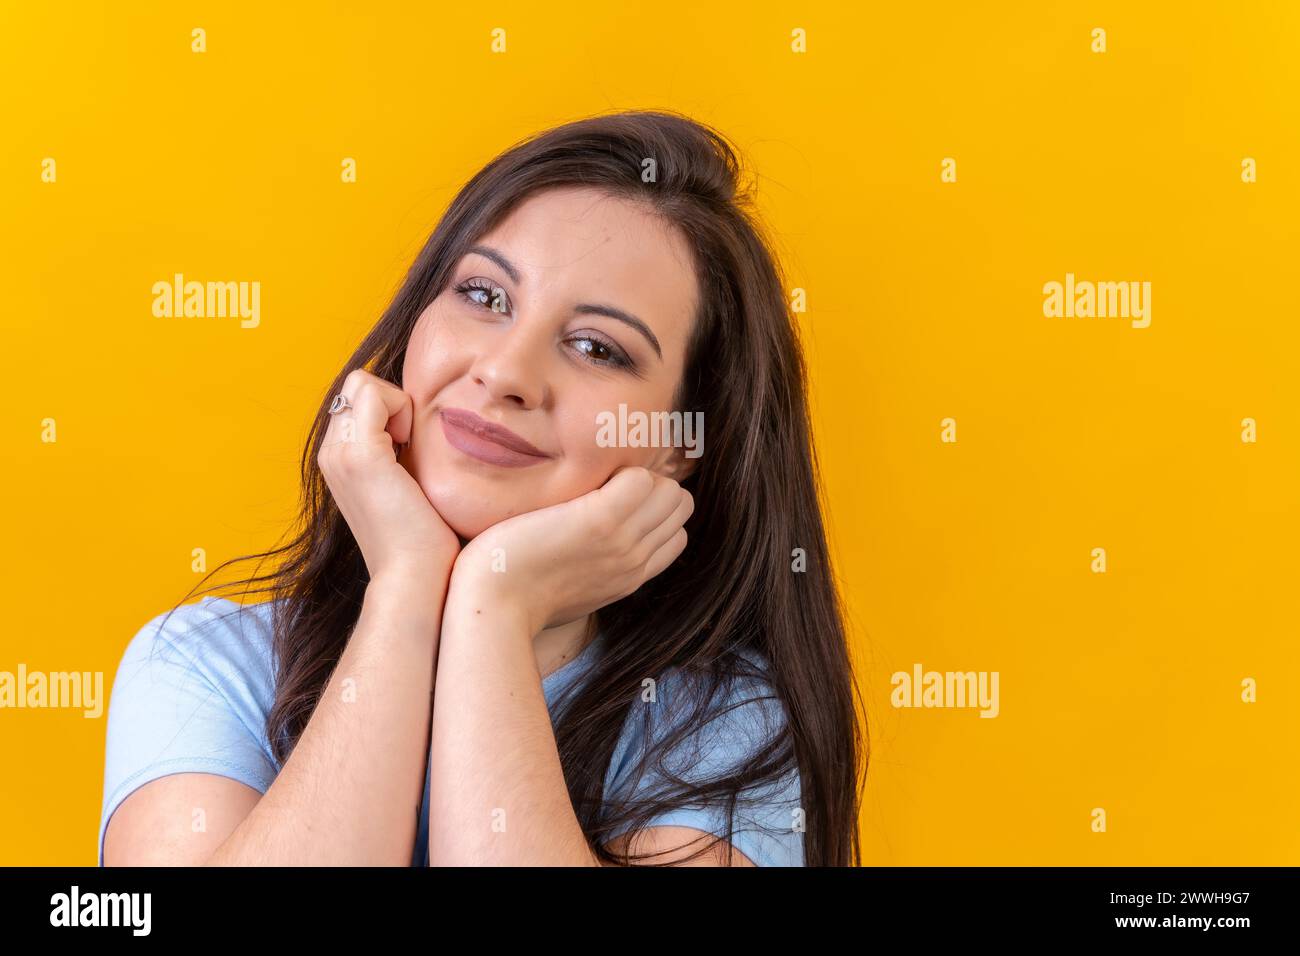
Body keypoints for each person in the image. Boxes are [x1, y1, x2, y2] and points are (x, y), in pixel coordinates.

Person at [99, 109, 866, 866]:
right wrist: (407, 585)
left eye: (597, 347)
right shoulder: (205, 665)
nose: (504, 373)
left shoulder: (723, 727)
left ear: (679, 449)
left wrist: (494, 609)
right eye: (485, 296)